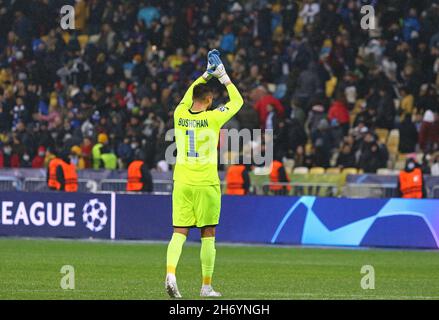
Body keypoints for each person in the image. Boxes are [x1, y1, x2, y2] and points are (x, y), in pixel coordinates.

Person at [165, 50, 243, 298]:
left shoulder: (179, 114)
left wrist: (205, 74)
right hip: (206, 183)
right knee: (208, 233)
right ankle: (206, 286)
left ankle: (170, 274)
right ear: (209, 100)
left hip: (182, 181)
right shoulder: (212, 119)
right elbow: (238, 102)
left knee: (179, 232)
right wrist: (223, 76)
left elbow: (189, 94)